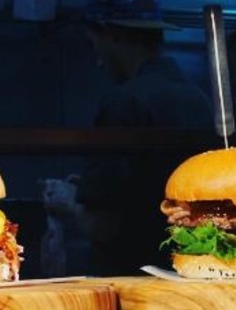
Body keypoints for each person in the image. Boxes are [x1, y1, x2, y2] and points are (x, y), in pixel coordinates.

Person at [40, 0, 213, 276]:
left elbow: (103, 226)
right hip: (191, 271)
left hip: (135, 279)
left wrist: (68, 201)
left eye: (94, 42)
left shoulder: (124, 102)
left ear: (113, 34)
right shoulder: (199, 99)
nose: (97, 58)